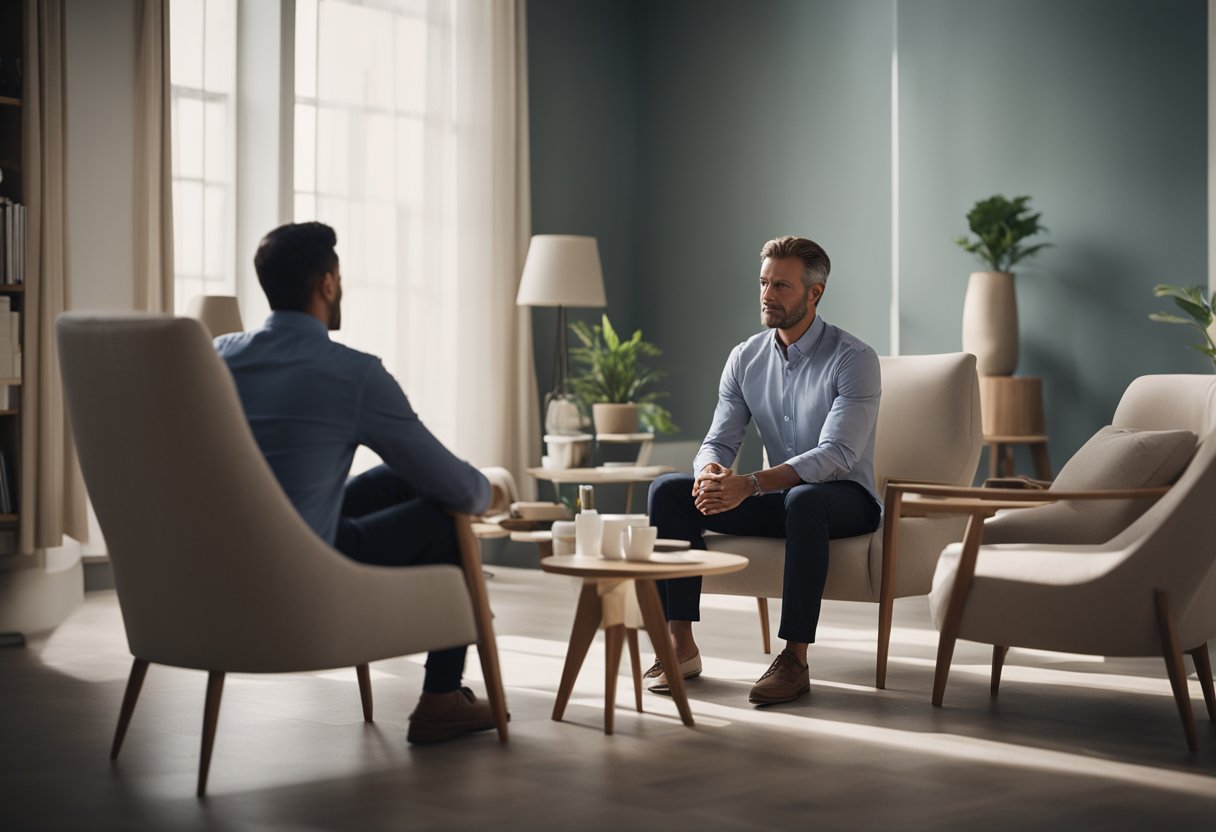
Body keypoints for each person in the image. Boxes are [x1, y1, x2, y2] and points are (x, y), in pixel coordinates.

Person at [215, 221, 497, 744]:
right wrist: (489, 492)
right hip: (304, 573)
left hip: (228, 561)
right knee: (447, 513)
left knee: (397, 480)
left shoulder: (216, 356)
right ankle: (441, 698)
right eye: (338, 279)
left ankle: (456, 644)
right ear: (326, 284)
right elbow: (459, 490)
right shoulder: (351, 373)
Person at [646, 235, 882, 705]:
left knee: (807, 498)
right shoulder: (745, 358)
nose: (767, 296)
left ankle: (794, 658)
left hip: (844, 499)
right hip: (781, 497)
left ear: (815, 293)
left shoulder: (854, 359)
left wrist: (750, 484)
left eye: (782, 286)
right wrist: (711, 474)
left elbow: (836, 454)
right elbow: (719, 438)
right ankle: (680, 645)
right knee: (668, 491)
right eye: (763, 283)